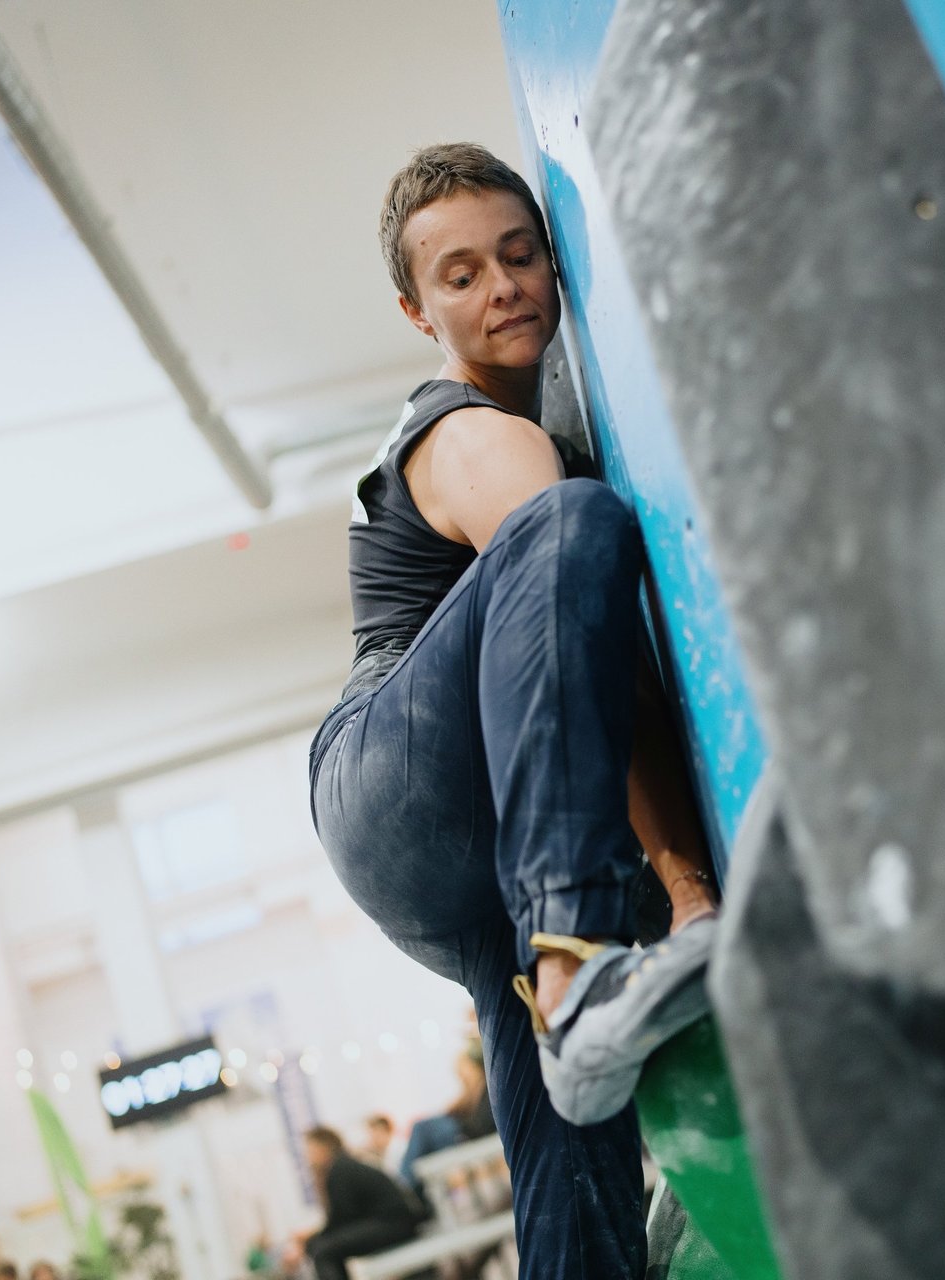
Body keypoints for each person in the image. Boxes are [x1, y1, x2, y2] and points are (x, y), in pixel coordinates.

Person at [307, 143, 722, 1280]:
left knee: (570, 1144)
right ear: (417, 309)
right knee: (575, 526)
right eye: (458, 274)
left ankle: (567, 976)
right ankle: (575, 957)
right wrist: (682, 894)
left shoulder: (549, 429)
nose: (500, 287)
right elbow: (595, 667)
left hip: (482, 858)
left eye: (518, 253)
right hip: (396, 778)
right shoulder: (472, 435)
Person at [287, 1127, 424, 1280]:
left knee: (323, 1250)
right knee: (320, 1246)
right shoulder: (345, 1165)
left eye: (310, 1150)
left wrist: (312, 1236)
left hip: (395, 1223)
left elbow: (342, 1218)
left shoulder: (340, 1170)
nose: (308, 1157)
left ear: (323, 1148)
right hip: (393, 1221)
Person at [398, 1037, 497, 1194]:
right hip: (462, 1133)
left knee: (421, 1129)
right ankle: (408, 1187)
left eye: (464, 1067)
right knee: (423, 1133)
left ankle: (403, 1188)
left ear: (475, 1066)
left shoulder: (486, 1088)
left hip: (464, 1135)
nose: (460, 1073)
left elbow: (482, 1125)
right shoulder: (472, 1094)